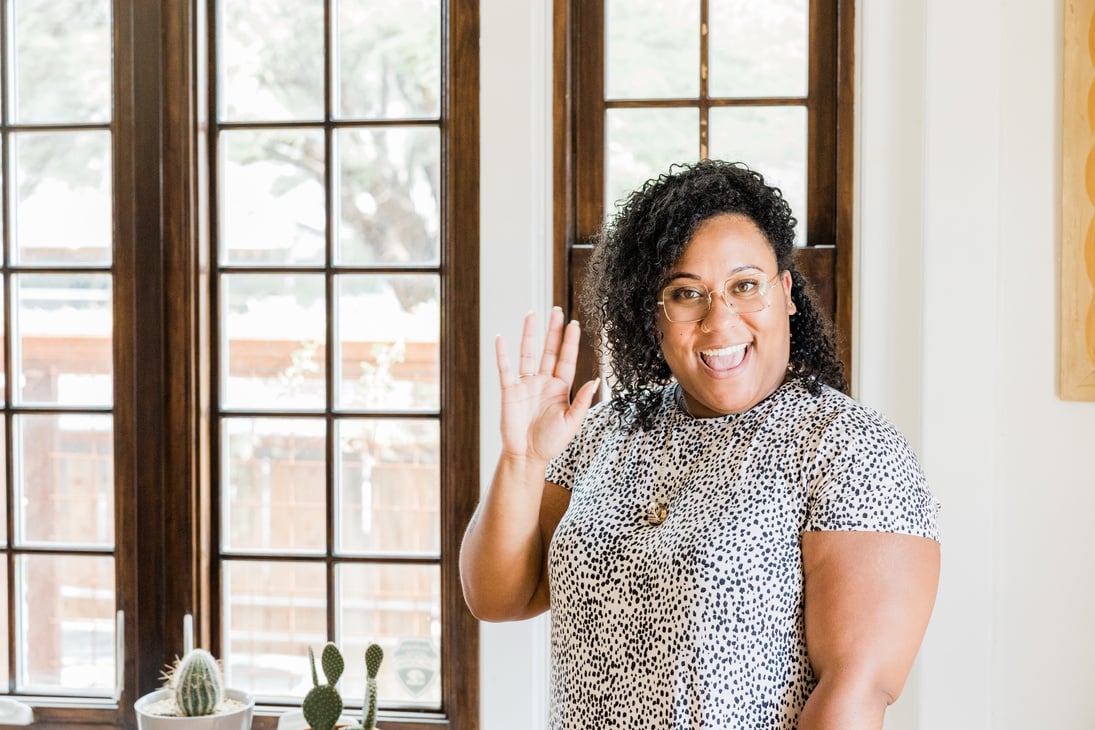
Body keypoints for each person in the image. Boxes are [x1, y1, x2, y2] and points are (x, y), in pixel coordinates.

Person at [459, 159, 940, 729]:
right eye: (687, 293)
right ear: (653, 314)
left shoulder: (851, 449)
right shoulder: (605, 431)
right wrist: (523, 460)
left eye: (744, 286)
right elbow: (499, 597)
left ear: (785, 292)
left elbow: (855, 692)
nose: (720, 320)